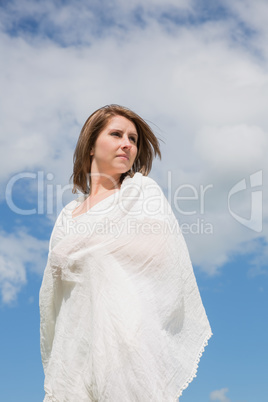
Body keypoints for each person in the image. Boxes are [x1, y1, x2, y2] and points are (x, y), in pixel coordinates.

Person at [39, 104, 212, 402]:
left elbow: (160, 256)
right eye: (116, 134)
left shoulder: (140, 192)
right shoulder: (69, 216)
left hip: (128, 348)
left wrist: (87, 247)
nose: (127, 144)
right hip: (73, 355)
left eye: (133, 139)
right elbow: (52, 292)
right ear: (91, 145)